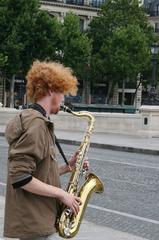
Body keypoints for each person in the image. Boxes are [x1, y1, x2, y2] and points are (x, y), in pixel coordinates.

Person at [3, 60, 88, 239]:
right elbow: (20, 177)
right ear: (51, 90)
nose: (64, 98)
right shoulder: (36, 125)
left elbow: (36, 173)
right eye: (62, 92)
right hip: (34, 225)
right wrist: (62, 194)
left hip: (40, 220)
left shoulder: (38, 121)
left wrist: (67, 167)